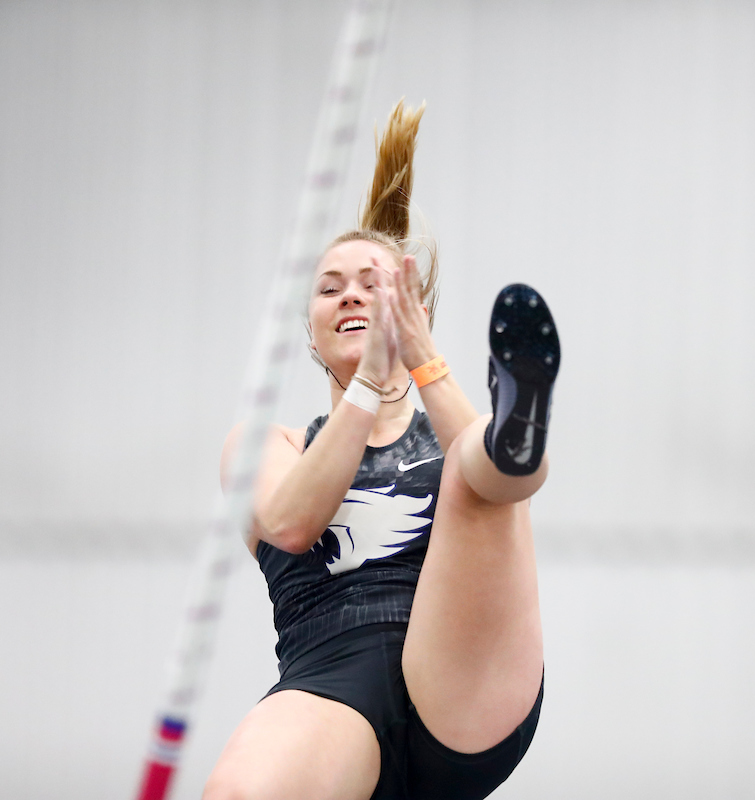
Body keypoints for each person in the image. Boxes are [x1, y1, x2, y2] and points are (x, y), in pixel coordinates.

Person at [205, 100, 560, 800]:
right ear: (311, 334)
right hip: (334, 688)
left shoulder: (453, 430)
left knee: (476, 467)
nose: (349, 298)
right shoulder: (264, 444)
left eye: (375, 287)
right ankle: (507, 436)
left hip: (468, 682)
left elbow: (518, 488)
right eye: (329, 289)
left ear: (415, 311)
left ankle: (519, 422)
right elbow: (291, 523)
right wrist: (369, 379)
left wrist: (422, 361)